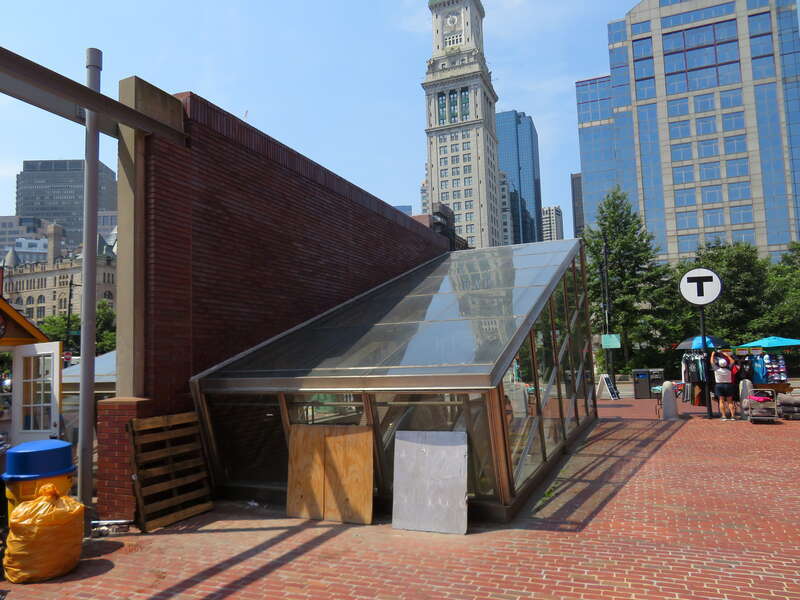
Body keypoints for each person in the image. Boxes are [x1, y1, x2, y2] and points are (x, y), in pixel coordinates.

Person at [710, 351, 736, 420]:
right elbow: (733, 361)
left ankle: (724, 416)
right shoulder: (729, 368)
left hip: (719, 385)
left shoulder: (716, 369)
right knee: (730, 401)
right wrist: (726, 355)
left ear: (719, 364)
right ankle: (733, 416)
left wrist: (712, 354)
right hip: (728, 385)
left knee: (721, 401)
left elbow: (711, 362)